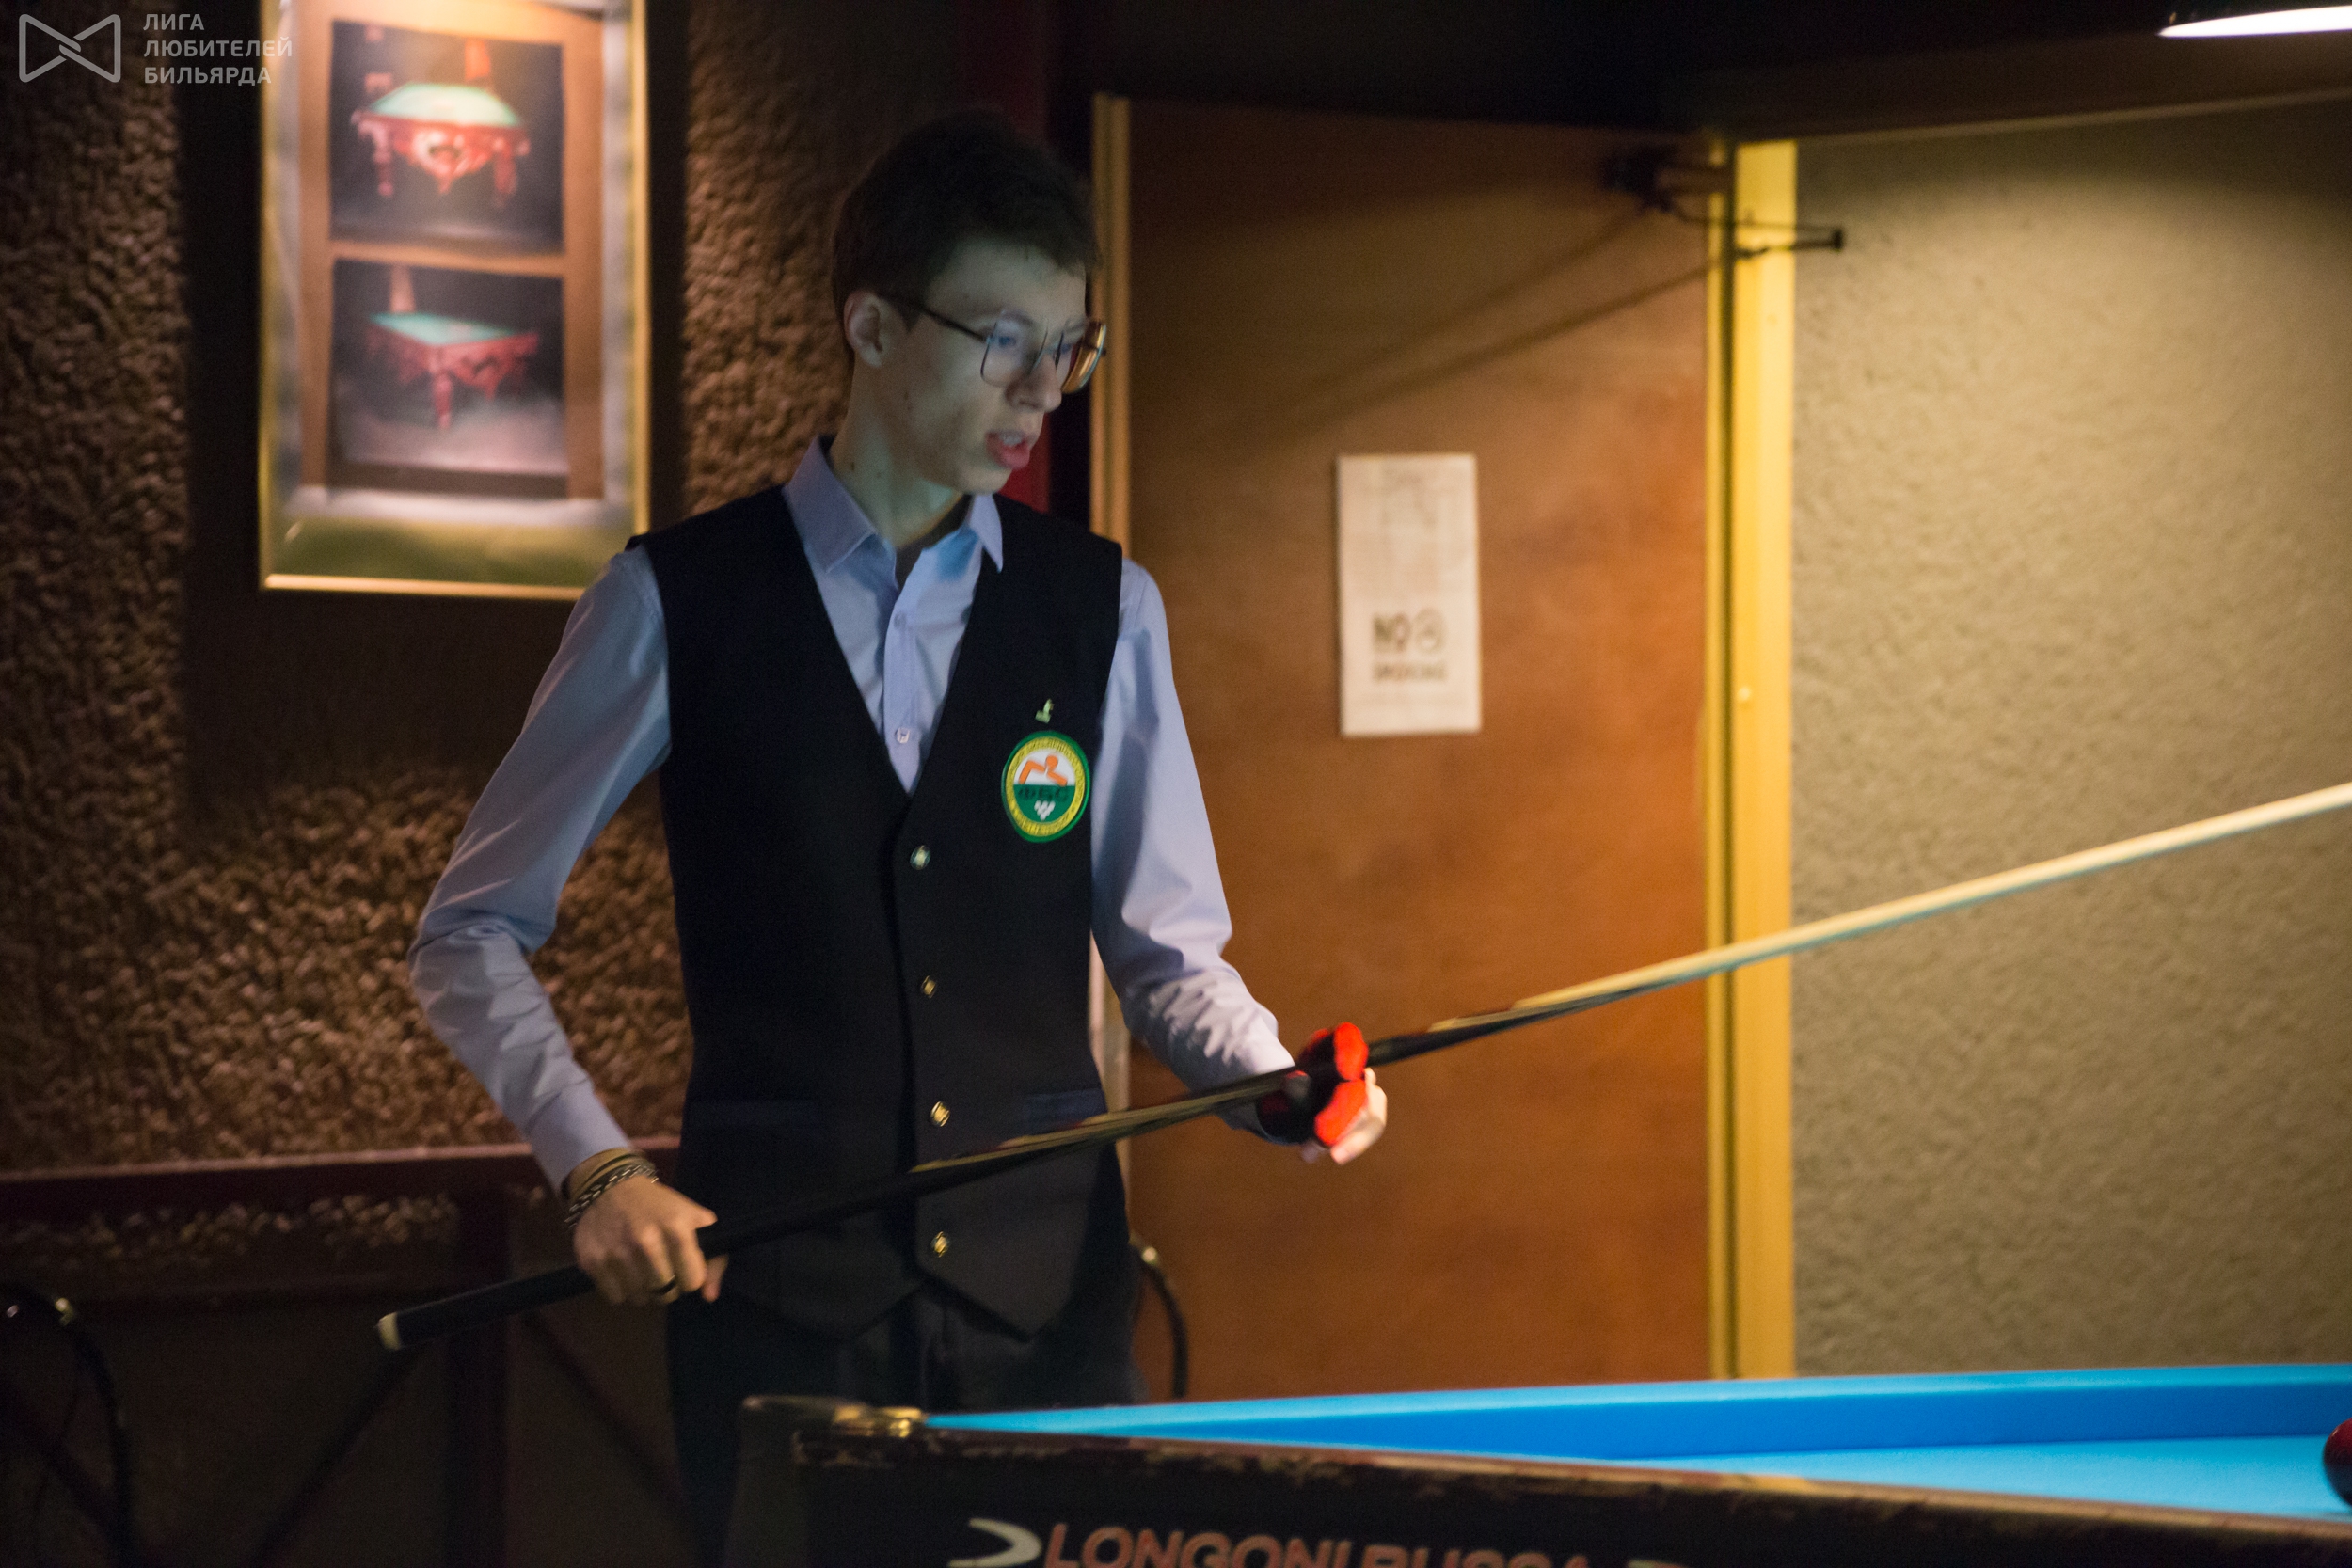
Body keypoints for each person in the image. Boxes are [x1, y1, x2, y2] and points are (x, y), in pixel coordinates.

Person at [407, 108, 1387, 1560]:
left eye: (1070, 348)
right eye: (1005, 341)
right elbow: (469, 932)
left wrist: (1271, 1081)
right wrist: (596, 1167)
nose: (1042, 389)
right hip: (781, 1312)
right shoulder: (675, 599)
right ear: (870, 326)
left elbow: (1168, 958)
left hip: (1050, 1316)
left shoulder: (1103, 607)